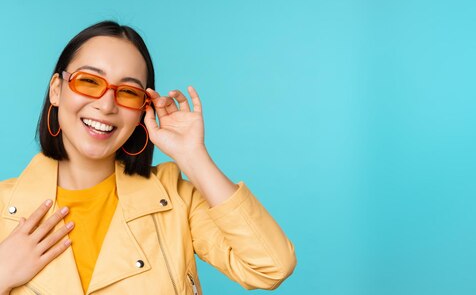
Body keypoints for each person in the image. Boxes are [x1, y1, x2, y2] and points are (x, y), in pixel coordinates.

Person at [0, 20, 296, 295]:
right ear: (56, 90)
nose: (106, 105)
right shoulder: (4, 205)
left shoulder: (175, 199)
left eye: (128, 92)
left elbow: (271, 266)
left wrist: (192, 157)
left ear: (143, 109)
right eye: (89, 81)